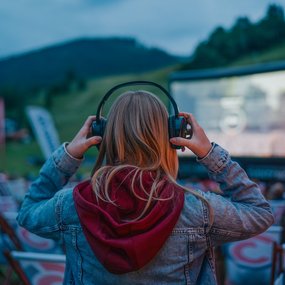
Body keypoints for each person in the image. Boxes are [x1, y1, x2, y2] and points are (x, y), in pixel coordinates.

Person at [17, 90, 274, 285]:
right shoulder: (197, 209)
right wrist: (209, 153)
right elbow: (260, 213)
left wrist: (68, 157)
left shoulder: (71, 204)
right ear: (170, 138)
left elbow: (28, 211)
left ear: (103, 136)